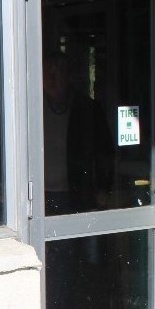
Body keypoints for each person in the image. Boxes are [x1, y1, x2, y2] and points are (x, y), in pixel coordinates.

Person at [42, 51, 115, 215]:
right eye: (47, 72)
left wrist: (104, 187)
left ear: (68, 76)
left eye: (58, 72)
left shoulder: (87, 110)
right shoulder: (32, 110)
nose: (52, 78)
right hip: (38, 195)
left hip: (77, 194)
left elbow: (104, 151)